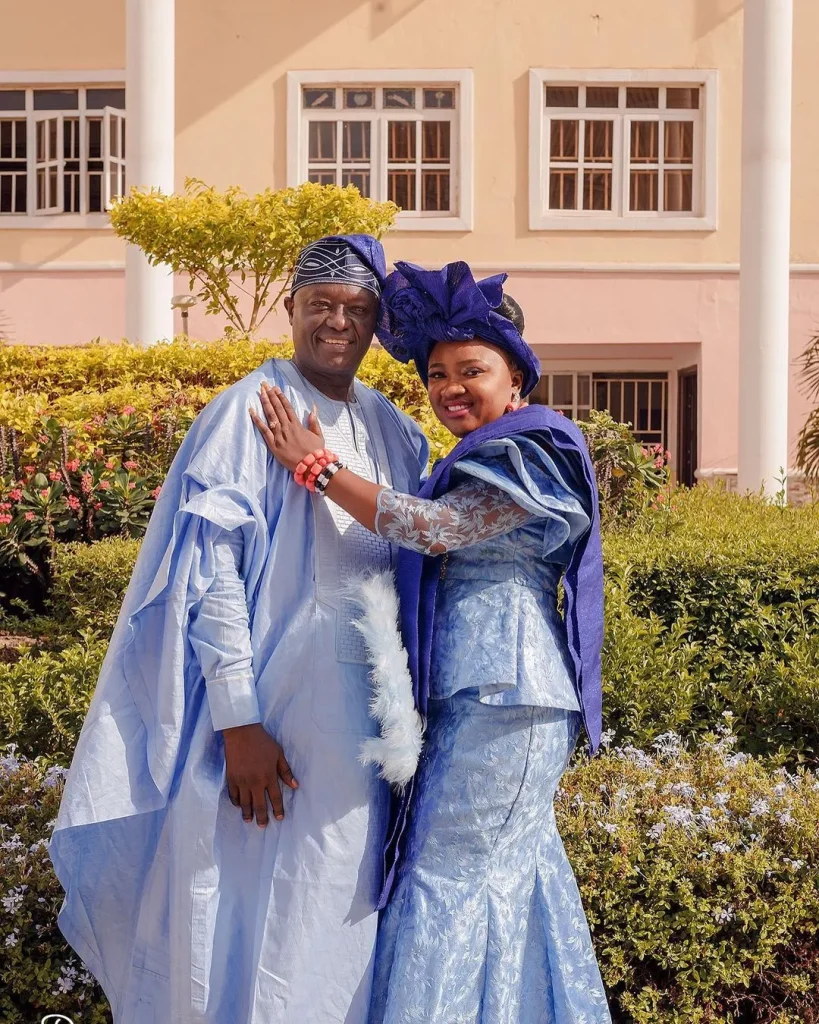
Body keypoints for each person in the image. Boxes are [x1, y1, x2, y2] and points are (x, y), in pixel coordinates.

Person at [50, 235, 429, 1024]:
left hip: (371, 712)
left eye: (356, 309)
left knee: (342, 895)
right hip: (278, 708)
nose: (337, 322)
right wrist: (238, 719)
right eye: (319, 304)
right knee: (260, 900)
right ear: (289, 310)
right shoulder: (248, 411)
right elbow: (209, 573)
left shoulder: (392, 427)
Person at [253, 260, 612, 1023]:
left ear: (515, 376)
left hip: (507, 692)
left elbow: (439, 531)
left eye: (471, 370)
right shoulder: (471, 452)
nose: (451, 386)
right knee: (500, 875)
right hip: (476, 695)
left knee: (445, 877)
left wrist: (316, 467)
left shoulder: (533, 447)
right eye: (437, 373)